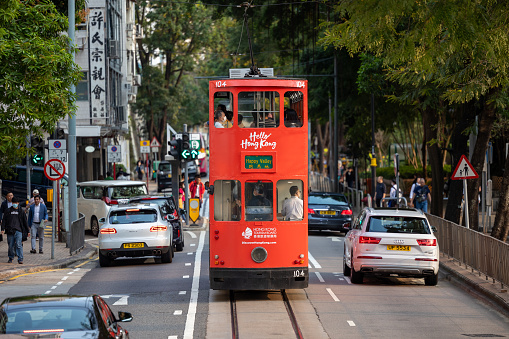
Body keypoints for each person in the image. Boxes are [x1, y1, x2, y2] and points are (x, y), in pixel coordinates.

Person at [1, 197, 30, 264]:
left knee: (19, 245)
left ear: (18, 203)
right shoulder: (8, 211)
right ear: (12, 203)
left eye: (16, 203)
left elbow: (25, 221)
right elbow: (4, 220)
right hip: (10, 230)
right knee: (10, 245)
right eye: (14, 203)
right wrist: (2, 229)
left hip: (18, 230)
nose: (15, 204)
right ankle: (11, 257)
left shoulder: (21, 211)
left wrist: (27, 231)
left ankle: (20, 259)